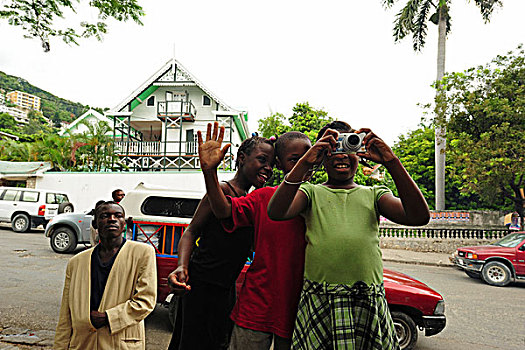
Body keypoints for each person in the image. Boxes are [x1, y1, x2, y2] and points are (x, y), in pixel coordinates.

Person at [267, 121, 430, 350]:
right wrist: (305, 162)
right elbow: (276, 211)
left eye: (348, 146)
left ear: (359, 153)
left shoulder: (374, 194)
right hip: (320, 299)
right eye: (332, 149)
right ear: (321, 157)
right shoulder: (310, 192)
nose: (341, 155)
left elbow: (418, 216)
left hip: (367, 299)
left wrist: (392, 162)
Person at [198, 123, 311, 350]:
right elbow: (223, 210)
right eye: (295, 160)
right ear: (279, 164)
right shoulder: (264, 197)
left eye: (309, 158)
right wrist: (210, 172)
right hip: (256, 304)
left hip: (300, 306)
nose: (304, 165)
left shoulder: (318, 199)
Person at [167, 122, 275, 350]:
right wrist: (182, 266)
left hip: (225, 289)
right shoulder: (224, 191)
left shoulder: (253, 201)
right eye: (262, 160)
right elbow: (191, 231)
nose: (268, 168)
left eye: (272, 164)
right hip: (201, 285)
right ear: (242, 158)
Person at [54, 201, 157, 350]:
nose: (112, 219)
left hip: (121, 343)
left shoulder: (143, 253)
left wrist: (109, 317)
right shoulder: (76, 262)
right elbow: (66, 314)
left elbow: (146, 301)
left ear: (124, 224)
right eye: (105, 216)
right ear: (95, 224)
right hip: (83, 343)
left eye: (118, 215)